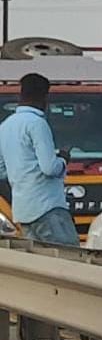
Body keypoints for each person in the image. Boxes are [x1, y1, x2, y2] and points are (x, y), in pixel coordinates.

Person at [0, 73, 77, 246]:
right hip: (47, 207)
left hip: (23, 211)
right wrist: (63, 159)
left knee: (41, 263)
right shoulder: (37, 123)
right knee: (71, 259)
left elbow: (1, 170)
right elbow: (49, 168)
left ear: (20, 94)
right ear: (45, 97)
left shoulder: (6, 126)